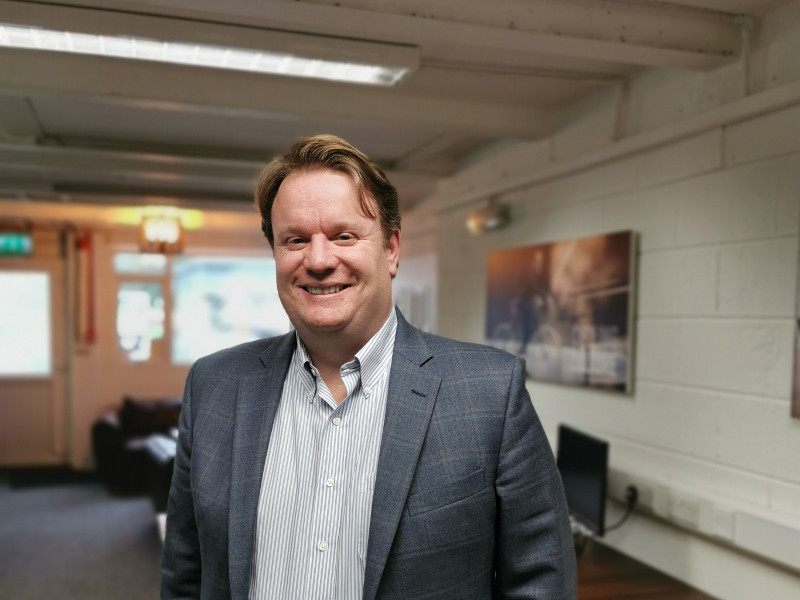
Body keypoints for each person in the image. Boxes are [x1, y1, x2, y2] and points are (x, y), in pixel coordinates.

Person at [161, 134, 576, 600]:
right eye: (295, 240)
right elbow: (184, 574)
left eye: (344, 236)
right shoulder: (215, 385)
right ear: (275, 253)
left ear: (392, 249)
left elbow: (541, 583)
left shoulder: (490, 394)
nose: (318, 261)